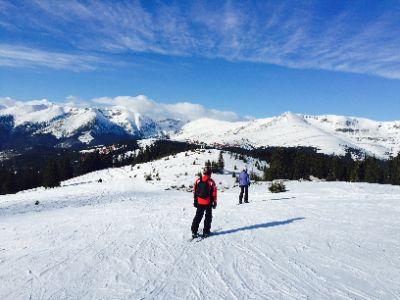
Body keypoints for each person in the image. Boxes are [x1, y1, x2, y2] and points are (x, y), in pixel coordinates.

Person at [191, 168, 217, 238]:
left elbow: (194, 191)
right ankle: (206, 232)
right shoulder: (211, 182)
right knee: (208, 217)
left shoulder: (198, 180)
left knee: (198, 216)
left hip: (199, 201)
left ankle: (194, 231)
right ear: (209, 173)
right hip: (208, 202)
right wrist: (215, 202)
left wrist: (195, 201)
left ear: (204, 173)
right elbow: (214, 193)